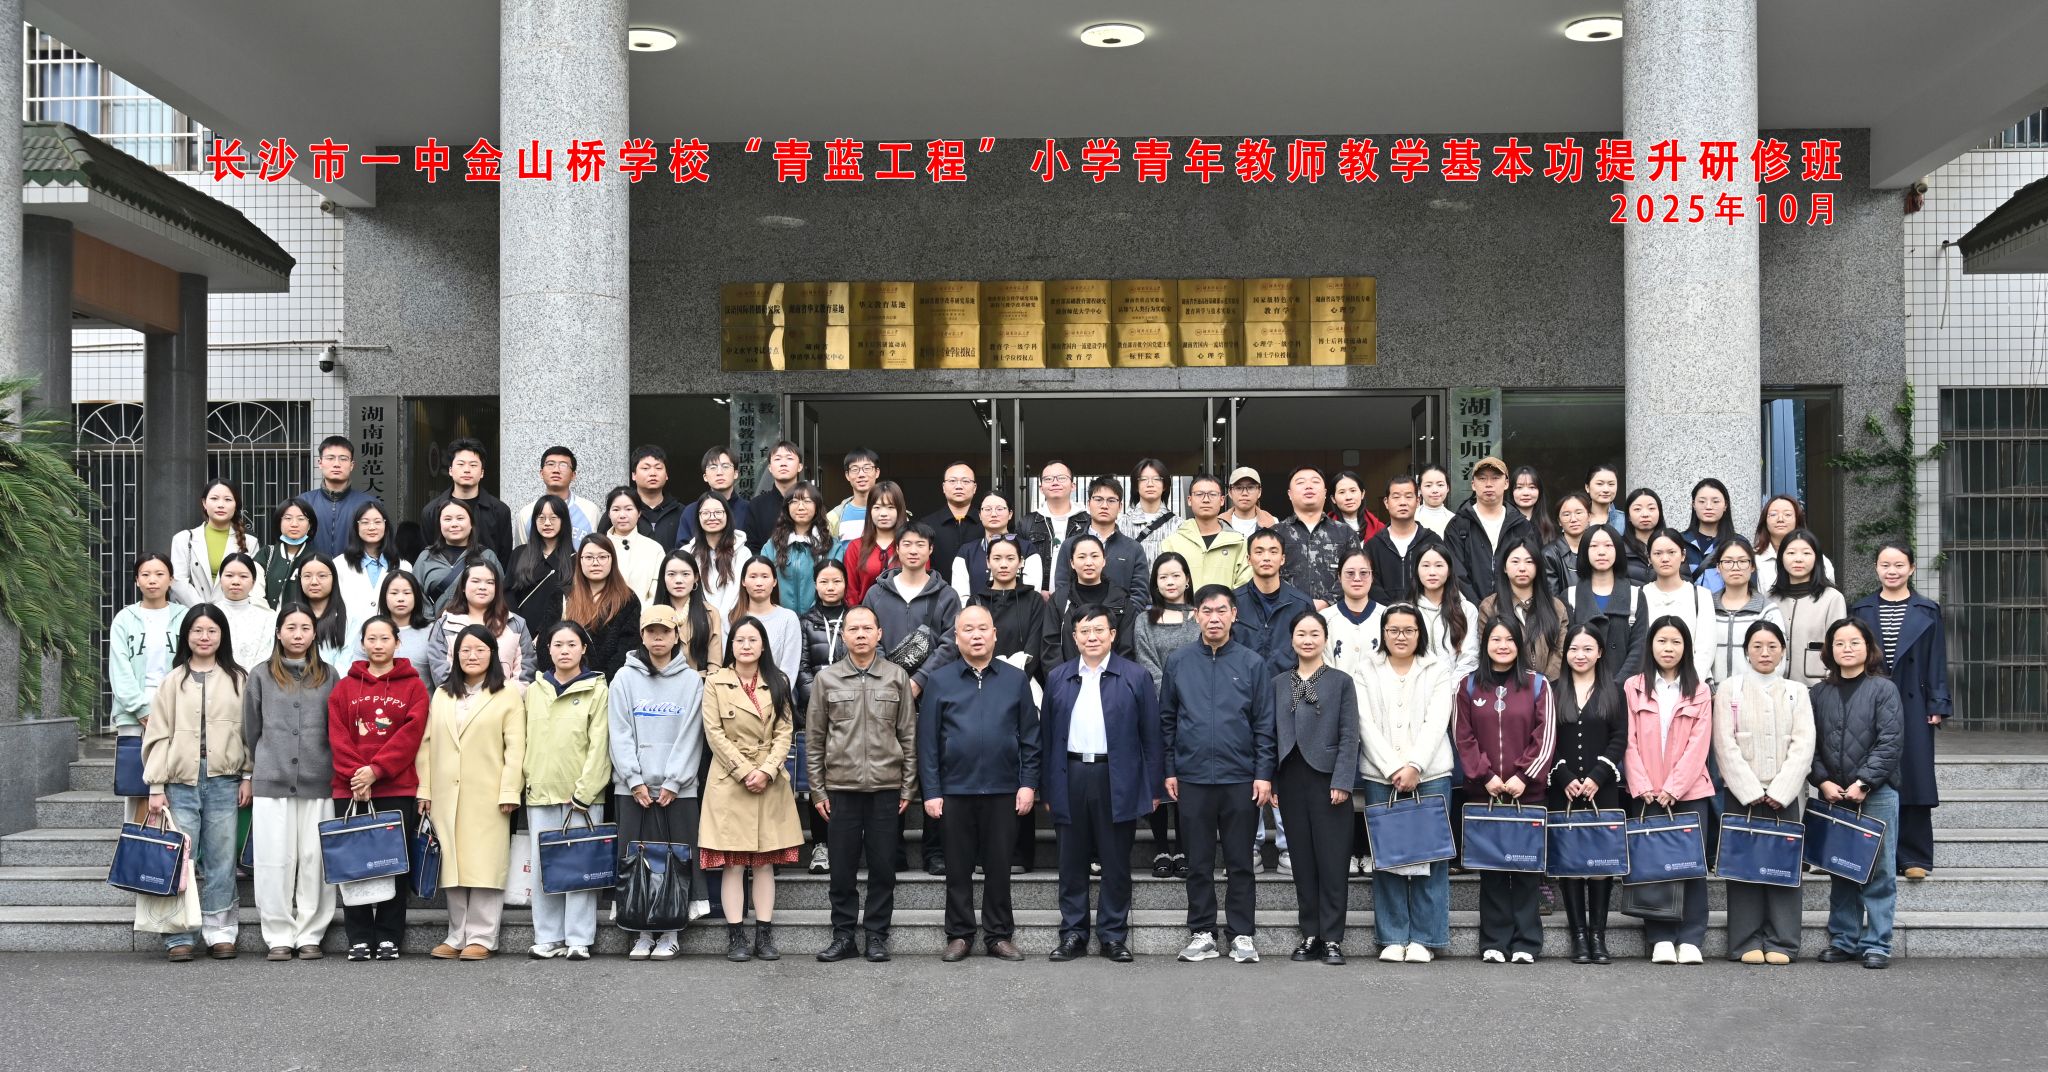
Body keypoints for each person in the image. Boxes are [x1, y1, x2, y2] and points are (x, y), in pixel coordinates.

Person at [1161, 585, 1275, 966]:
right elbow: (1167, 721)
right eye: (1207, 611)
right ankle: (1203, 932)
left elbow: (1264, 724)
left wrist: (1263, 773)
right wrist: (1170, 769)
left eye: (1221, 611)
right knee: (1198, 861)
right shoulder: (1178, 662)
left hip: (1240, 777)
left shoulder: (1251, 663)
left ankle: (1242, 934)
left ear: (1234, 615)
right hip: (1192, 777)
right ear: (1196, 615)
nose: (1214, 618)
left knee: (1241, 861)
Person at [920, 606, 1041, 962]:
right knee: (957, 868)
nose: (976, 635)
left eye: (983, 628)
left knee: (999, 867)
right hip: (954, 790)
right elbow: (927, 743)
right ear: (956, 636)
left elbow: (1031, 738)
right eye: (968, 629)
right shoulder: (940, 681)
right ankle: (959, 934)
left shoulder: (1015, 680)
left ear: (994, 634)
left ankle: (999, 935)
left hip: (1003, 789)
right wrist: (932, 791)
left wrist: (1028, 784)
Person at [1041, 605, 1158, 964]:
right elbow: (1047, 737)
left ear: (1112, 635)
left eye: (1099, 630)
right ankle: (1073, 934)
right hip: (1071, 774)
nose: (1092, 637)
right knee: (1071, 860)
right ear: (1074, 637)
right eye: (1084, 631)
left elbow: (1151, 737)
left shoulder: (1135, 676)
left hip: (1116, 775)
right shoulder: (1058, 677)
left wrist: (1152, 788)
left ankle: (1113, 935)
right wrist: (1048, 786)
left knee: (1116, 860)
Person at [806, 606, 918, 963]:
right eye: (853, 629)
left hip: (886, 788)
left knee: (883, 868)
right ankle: (843, 936)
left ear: (879, 634)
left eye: (867, 628)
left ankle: (876, 936)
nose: (860, 634)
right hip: (841, 789)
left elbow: (908, 735)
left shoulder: (896, 677)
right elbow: (815, 740)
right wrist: (818, 790)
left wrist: (907, 787)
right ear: (844, 635)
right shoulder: (827, 679)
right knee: (841, 870)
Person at [138, 605, 248, 961]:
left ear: (222, 636)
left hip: (224, 779)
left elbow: (249, 732)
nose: (204, 637)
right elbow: (157, 735)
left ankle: (221, 931)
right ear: (186, 635)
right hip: (180, 780)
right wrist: (156, 786)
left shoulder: (238, 679)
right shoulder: (173, 681)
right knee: (180, 858)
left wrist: (248, 776)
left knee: (221, 858)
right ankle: (178, 934)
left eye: (212, 630)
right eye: (197, 630)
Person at [418, 624, 527, 960]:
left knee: (484, 864)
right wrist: (425, 788)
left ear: (492, 654)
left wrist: (510, 790)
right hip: (445, 792)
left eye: (480, 649)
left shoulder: (507, 694)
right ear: (455, 656)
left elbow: (516, 747)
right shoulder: (442, 694)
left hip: (489, 792)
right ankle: (456, 934)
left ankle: (482, 935)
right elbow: (427, 744)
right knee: (451, 864)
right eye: (465, 650)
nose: (472, 656)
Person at [608, 604, 709, 959]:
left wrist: (674, 781)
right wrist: (633, 779)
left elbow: (692, 734)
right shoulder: (624, 678)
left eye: (665, 631)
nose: (658, 638)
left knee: (675, 862)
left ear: (676, 635)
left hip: (677, 791)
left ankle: (670, 932)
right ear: (642, 635)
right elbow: (619, 731)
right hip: (632, 789)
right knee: (635, 862)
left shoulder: (691, 682)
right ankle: (641, 932)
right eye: (651, 631)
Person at [700, 617, 805, 963]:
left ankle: (764, 934)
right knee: (732, 864)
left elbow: (785, 732)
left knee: (764, 863)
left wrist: (767, 770)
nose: (746, 646)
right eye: (739, 640)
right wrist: (746, 771)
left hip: (769, 781)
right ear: (731, 646)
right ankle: (736, 936)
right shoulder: (716, 682)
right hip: (730, 780)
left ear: (763, 646)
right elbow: (714, 733)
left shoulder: (778, 681)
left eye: (753, 640)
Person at [1355, 604, 1455, 963]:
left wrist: (1415, 765)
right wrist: (1393, 766)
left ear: (1420, 634)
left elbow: (1438, 720)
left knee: (1431, 856)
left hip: (1431, 774)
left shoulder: (1437, 668)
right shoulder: (1366, 668)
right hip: (1380, 774)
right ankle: (1393, 935)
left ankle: (1426, 938)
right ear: (1383, 633)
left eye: (1408, 630)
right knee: (1388, 856)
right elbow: (1364, 722)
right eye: (1393, 630)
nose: (1401, 637)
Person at [1454, 614, 1556, 964]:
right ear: (1485, 644)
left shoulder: (1538, 684)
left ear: (1519, 644)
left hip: (1527, 794)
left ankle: (1527, 941)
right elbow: (1463, 736)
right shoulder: (1469, 685)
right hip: (1486, 794)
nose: (1502, 646)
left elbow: (1545, 736)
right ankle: (1494, 941)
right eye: (1495, 639)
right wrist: (1485, 776)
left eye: (1509, 639)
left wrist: (1524, 776)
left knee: (1526, 871)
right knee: (1493, 871)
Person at [327, 616, 430, 960]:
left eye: (385, 638)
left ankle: (388, 936)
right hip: (350, 787)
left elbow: (411, 735)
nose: (378, 644)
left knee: (394, 864)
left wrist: (376, 771)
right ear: (363, 644)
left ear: (397, 643)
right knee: (352, 864)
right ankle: (358, 936)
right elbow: (337, 734)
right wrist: (358, 775)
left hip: (396, 787)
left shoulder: (414, 687)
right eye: (371, 638)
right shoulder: (344, 687)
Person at [1713, 620, 1815, 964]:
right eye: (1757, 646)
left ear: (1783, 650)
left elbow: (1804, 744)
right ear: (1746, 651)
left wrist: (1782, 790)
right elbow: (1724, 743)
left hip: (1784, 795)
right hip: (1742, 794)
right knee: (1743, 868)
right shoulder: (1730, 689)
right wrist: (1750, 790)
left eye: (1772, 646)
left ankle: (1783, 941)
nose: (1765, 653)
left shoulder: (1796, 691)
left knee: (1783, 867)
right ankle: (1745, 941)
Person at [240, 605, 338, 961]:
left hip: (319, 779)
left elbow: (336, 725)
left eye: (305, 628)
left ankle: (311, 932)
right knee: (273, 859)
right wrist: (256, 768)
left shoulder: (328, 675)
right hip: (272, 778)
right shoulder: (261, 675)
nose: (298, 634)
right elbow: (251, 728)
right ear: (278, 632)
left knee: (314, 859)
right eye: (291, 627)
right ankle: (278, 933)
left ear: (314, 634)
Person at [1265, 609, 1361, 964]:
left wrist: (1343, 780)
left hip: (1328, 779)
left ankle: (1332, 938)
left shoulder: (1340, 681)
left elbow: (1350, 735)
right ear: (1291, 640)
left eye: (1314, 634)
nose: (1307, 640)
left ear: (1325, 639)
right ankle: (1310, 934)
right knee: (1302, 861)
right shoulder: (1278, 683)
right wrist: (1273, 780)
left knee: (1332, 861)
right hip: (1291, 777)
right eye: (1301, 634)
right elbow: (1270, 735)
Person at [1809, 617, 1906, 969]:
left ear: (1868, 647)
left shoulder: (1883, 689)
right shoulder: (1818, 693)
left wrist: (1864, 782)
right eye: (1839, 643)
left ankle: (1877, 943)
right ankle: (1844, 940)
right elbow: (1808, 743)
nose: (1847, 649)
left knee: (1879, 871)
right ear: (1830, 650)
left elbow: (1890, 741)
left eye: (1854, 642)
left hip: (1876, 794)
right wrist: (1821, 780)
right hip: (1834, 795)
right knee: (1840, 870)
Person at [1850, 541, 1949, 881]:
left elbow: (1937, 658)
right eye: (1885, 565)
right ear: (1876, 568)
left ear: (1911, 568)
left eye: (1898, 565)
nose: (1891, 571)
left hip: (1915, 701)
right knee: (1871, 770)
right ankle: (1872, 853)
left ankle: (1914, 856)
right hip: (1870, 700)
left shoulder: (1927, 610)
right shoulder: (1861, 609)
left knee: (1916, 776)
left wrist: (1937, 703)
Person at [1622, 616, 1714, 965]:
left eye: (1676, 642)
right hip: (1646, 792)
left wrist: (1674, 787)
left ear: (1686, 647)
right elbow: (1628, 741)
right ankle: (1659, 935)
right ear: (1650, 645)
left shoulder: (1699, 690)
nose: (1669, 648)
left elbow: (1699, 745)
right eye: (1662, 641)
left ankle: (1691, 936)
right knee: (1652, 866)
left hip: (1689, 792)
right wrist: (1642, 784)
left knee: (1691, 865)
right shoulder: (1633, 687)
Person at [521, 621, 613, 961]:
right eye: (557, 644)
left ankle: (578, 938)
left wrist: (585, 792)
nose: (564, 650)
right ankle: (548, 936)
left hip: (581, 798)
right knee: (543, 867)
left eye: (571, 644)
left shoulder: (598, 689)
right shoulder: (535, 689)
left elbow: (600, 744)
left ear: (583, 649)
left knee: (581, 867)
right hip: (541, 791)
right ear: (548, 649)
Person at [1548, 623, 1628, 964]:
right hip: (1563, 789)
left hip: (1602, 789)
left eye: (1587, 649)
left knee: (1600, 864)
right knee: (1570, 863)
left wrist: (1598, 775)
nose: (1580, 655)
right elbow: (1545, 739)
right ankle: (1578, 936)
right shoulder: (1553, 690)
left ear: (1600, 653)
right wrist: (1563, 775)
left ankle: (1598, 936)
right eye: (1574, 649)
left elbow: (1619, 738)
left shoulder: (1614, 691)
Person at [1132, 552, 1197, 877]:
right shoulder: (1144, 619)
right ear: (1155, 583)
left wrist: (1187, 700)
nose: (1170, 582)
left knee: (1186, 780)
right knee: (1157, 777)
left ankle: (1183, 849)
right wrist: (1169, 698)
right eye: (1163, 577)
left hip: (1194, 710)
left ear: (1187, 579)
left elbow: (1201, 661)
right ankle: (1161, 847)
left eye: (1175, 575)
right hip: (1155, 710)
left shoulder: (1200, 616)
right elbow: (1147, 664)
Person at [860, 522, 962, 703]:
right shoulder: (875, 594)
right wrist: (890, 676)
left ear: (931, 549)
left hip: (934, 690)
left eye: (920, 544)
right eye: (907, 544)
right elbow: (867, 637)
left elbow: (951, 643)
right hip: (882, 689)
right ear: (897, 549)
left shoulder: (947, 596)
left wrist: (919, 680)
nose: (913, 551)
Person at [111, 554, 185, 748]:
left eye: (160, 574)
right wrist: (140, 708)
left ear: (171, 579)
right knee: (132, 764)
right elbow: (119, 668)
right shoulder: (124, 619)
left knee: (176, 763)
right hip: (131, 712)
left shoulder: (185, 617)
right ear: (137, 580)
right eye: (145, 575)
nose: (152, 580)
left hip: (178, 707)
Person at [426, 558, 537, 686]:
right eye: (475, 581)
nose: (482, 587)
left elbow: (526, 673)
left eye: (490, 582)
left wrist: (503, 695)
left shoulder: (516, 623)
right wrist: (470, 695)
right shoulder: (445, 624)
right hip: (459, 697)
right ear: (463, 587)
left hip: (506, 697)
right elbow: (441, 672)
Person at [1051, 477, 1151, 609]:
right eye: (1098, 499)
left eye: (1111, 500)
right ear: (1088, 504)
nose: (1104, 506)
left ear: (1120, 506)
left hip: (1121, 619)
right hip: (1078, 619)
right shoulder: (1069, 545)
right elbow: (1062, 588)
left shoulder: (1133, 549)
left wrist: (1123, 619)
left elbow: (1139, 595)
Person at [1477, 535, 1569, 680]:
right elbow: (1488, 651)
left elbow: (1560, 651)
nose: (1522, 568)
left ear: (1538, 567)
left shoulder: (1556, 607)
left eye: (1529, 562)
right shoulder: (1489, 607)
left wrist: (1541, 685)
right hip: (1506, 685)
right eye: (1515, 561)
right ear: (1505, 567)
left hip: (1550, 686)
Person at [1443, 456, 1534, 600]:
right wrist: (1478, 607)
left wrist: (1511, 605)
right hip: (1468, 609)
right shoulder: (1457, 525)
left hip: (1513, 607)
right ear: (1473, 484)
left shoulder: (1521, 525)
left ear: (1506, 483)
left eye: (1495, 478)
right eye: (1482, 478)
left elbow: (1530, 568)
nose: (1489, 484)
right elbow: (1456, 573)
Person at [1634, 529, 1716, 684]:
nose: (1665, 559)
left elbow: (1706, 649)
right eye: (1658, 553)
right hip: (1648, 684)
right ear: (1649, 558)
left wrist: (1689, 685)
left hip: (1692, 684)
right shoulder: (1638, 595)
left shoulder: (1701, 596)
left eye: (1672, 552)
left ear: (1683, 555)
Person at [1273, 466, 1361, 609]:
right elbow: (1267, 574)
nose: (1309, 486)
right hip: (1287, 612)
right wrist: (1297, 603)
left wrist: (1326, 602)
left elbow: (1355, 572)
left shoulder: (1345, 533)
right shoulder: (1275, 534)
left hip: (1336, 613)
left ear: (1325, 493)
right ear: (1290, 494)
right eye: (1301, 482)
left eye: (1315, 481)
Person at [1564, 525, 1645, 679]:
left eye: (1608, 545)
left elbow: (1638, 648)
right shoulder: (1570, 596)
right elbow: (1567, 647)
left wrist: (1617, 685)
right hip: (1580, 685)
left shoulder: (1635, 596)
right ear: (1584, 551)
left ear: (1618, 550)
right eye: (1593, 546)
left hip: (1623, 687)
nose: (1601, 552)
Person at [1046, 533, 1138, 667]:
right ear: (1072, 563)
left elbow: (1127, 648)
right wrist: (1065, 677)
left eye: (1095, 556)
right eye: (1081, 557)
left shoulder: (1121, 600)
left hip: (1114, 677)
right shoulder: (1059, 600)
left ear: (1104, 561)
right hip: (1068, 677)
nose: (1088, 562)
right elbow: (1050, 648)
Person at [417, 437, 513, 564]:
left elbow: (505, 559)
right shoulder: (432, 511)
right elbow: (426, 558)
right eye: (461, 464)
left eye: (473, 465)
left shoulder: (500, 510)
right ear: (450, 470)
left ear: (482, 472)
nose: (467, 470)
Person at [971, 536, 1052, 686]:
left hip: (1023, 681)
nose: (1003, 565)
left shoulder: (1034, 600)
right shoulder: (976, 601)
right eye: (997, 558)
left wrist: (1015, 681)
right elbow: (972, 646)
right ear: (988, 562)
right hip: (983, 682)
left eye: (1010, 558)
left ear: (1020, 562)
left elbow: (1034, 647)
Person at [1704, 537, 1786, 685]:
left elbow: (1778, 659)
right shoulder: (1706, 606)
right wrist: (1709, 689)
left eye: (1742, 561)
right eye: (1728, 562)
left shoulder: (1766, 610)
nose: (1735, 567)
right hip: (1711, 694)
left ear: (1752, 567)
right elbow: (1697, 653)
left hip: (1753, 692)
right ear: (1718, 567)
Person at [1771, 528, 1847, 686]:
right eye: (1791, 553)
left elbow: (1839, 645)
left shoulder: (1832, 598)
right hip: (1775, 687)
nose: (1798, 559)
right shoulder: (1771, 599)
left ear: (1817, 558)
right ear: (1781, 558)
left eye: (1806, 553)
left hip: (1818, 687)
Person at [1233, 528, 1316, 673]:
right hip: (1243, 684)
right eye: (1259, 552)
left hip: (1288, 684)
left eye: (1273, 552)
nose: (1266, 558)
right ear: (1248, 559)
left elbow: (1312, 655)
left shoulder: (1301, 604)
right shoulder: (1232, 602)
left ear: (1282, 559)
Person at [170, 480, 263, 606]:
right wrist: (204, 611)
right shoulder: (183, 539)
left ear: (236, 504)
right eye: (214, 498)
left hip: (234, 612)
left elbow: (253, 583)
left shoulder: (250, 542)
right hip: (193, 611)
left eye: (228, 499)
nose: (221, 505)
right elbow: (179, 582)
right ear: (204, 503)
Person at [563, 534, 644, 679]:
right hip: (568, 681)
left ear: (612, 559)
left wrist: (603, 683)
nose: (595, 563)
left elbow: (627, 649)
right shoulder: (564, 597)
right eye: (589, 557)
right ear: (580, 560)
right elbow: (549, 645)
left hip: (611, 682)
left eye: (602, 557)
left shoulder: (628, 599)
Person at [1158, 473, 1253, 593]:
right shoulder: (1172, 543)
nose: (1206, 500)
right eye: (1199, 494)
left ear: (1222, 500)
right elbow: (1166, 583)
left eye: (1212, 494)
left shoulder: (1240, 542)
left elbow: (1244, 587)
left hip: (1226, 605)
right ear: (1189, 500)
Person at [415, 499, 503, 617]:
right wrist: (431, 624)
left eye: (460, 518)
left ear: (471, 524)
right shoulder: (426, 557)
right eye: (447, 519)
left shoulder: (487, 556)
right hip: (434, 626)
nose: (454, 524)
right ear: (440, 525)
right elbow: (416, 594)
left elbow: (500, 594)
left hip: (479, 625)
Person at [951, 490, 1047, 598]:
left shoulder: (1027, 549)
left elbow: (1032, 596)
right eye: (987, 509)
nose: (993, 514)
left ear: (1010, 514)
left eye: (1000, 509)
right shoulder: (966, 552)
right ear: (980, 515)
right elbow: (961, 598)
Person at [296, 436, 380, 559]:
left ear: (352, 465)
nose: (336, 464)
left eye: (343, 459)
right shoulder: (302, 503)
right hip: (313, 570)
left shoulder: (369, 504)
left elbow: (380, 547)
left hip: (355, 569)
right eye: (330, 458)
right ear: (320, 463)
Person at [335, 501, 410, 629]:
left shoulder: (403, 566)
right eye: (365, 522)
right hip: (349, 637)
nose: (372, 527)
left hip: (391, 636)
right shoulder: (340, 564)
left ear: (386, 525)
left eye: (377, 522)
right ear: (356, 526)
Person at [508, 495, 574, 638]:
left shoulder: (574, 559)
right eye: (541, 518)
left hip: (557, 636)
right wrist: (518, 628)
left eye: (553, 518)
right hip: (519, 633)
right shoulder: (520, 553)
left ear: (563, 521)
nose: (547, 523)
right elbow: (507, 594)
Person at [1411, 543, 1479, 679]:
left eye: (1439, 565)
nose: (1432, 572)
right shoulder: (1407, 611)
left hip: (1455, 687)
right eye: (1425, 566)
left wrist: (1450, 687)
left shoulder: (1466, 610)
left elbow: (1470, 658)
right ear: (1417, 571)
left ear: (1449, 571)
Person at [514, 445, 601, 547]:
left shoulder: (590, 511)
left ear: (573, 475)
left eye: (563, 465)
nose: (556, 470)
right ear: (541, 473)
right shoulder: (527, 513)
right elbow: (522, 552)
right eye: (550, 464)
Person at [652, 550, 725, 673]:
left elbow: (715, 664)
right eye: (671, 574)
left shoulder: (710, 613)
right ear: (663, 578)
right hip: (662, 680)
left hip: (700, 682)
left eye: (685, 574)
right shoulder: (652, 614)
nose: (678, 580)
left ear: (696, 577)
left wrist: (707, 684)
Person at [682, 493, 749, 622]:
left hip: (733, 624)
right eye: (705, 513)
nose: (712, 517)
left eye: (718, 512)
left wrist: (720, 621)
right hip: (697, 624)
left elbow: (737, 594)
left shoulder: (743, 553)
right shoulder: (687, 553)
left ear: (727, 515)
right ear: (698, 517)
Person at [770, 481, 831, 616]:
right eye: (794, 501)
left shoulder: (831, 546)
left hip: (819, 620)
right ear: (787, 507)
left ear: (817, 506)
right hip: (781, 619)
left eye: (807, 501)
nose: (801, 507)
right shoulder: (772, 546)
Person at [676, 445, 756, 547]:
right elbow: (683, 550)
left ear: (736, 473)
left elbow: (755, 548)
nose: (719, 472)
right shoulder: (691, 511)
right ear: (705, 477)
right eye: (713, 467)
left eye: (725, 466)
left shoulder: (749, 510)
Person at [841, 480, 906, 607]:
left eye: (890, 507)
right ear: (869, 511)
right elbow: (851, 591)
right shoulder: (856, 547)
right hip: (864, 615)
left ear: (899, 510)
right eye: (877, 507)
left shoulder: (911, 546)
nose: (883, 514)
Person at [1363, 474, 1426, 604]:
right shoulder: (1373, 545)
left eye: (1408, 496)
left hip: (1424, 612)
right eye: (1396, 497)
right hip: (1383, 613)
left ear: (1418, 501)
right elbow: (1369, 582)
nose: (1403, 502)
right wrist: (1392, 610)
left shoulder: (1431, 541)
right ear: (1386, 502)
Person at [1753, 494, 1836, 592]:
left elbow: (1828, 596)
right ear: (1765, 520)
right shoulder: (1752, 558)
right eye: (1773, 514)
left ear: (1797, 519)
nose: (1780, 519)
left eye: (1787, 514)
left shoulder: (1817, 559)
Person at [210, 554, 275, 669]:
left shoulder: (268, 619)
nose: (236, 581)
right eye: (229, 575)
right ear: (220, 580)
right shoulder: (208, 615)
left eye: (243, 576)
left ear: (253, 582)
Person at [1020, 460, 1087, 567]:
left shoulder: (1088, 522)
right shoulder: (1026, 523)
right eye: (1048, 479)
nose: (1055, 482)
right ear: (1041, 488)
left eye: (1062, 478)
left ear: (1073, 486)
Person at [919, 461, 981, 579]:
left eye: (965, 481)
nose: (959, 486)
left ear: (974, 488)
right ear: (943, 487)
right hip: (937, 589)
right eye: (952, 481)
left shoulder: (986, 523)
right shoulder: (927, 524)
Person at [602, 486, 663, 603]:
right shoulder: (598, 547)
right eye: (616, 510)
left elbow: (656, 593)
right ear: (608, 514)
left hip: (645, 613)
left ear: (639, 513)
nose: (622, 515)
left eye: (629, 509)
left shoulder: (654, 549)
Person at [254, 499, 317, 608]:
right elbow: (256, 595)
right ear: (279, 523)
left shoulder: (317, 558)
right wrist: (270, 616)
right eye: (288, 518)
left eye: (301, 519)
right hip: (267, 617)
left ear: (310, 525)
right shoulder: (266, 554)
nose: (294, 524)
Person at [293, 554, 351, 671]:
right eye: (307, 576)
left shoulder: (350, 617)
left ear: (334, 579)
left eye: (322, 576)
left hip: (337, 681)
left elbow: (347, 662)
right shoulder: (288, 617)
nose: (314, 582)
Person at [825, 447, 883, 556]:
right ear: (847, 475)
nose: (861, 474)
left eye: (867, 468)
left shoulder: (893, 513)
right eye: (855, 469)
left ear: (877, 472)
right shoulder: (834, 517)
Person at [372, 570, 433, 671]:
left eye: (407, 593)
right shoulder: (371, 630)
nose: (400, 598)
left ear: (416, 597)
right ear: (384, 596)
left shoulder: (432, 632)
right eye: (394, 593)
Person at [1120, 457, 1179, 561]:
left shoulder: (1178, 525)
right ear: (1136, 486)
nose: (1150, 484)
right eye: (1143, 479)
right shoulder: (1122, 524)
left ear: (1164, 486)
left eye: (1157, 479)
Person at [749, 439, 805, 542]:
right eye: (778, 459)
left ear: (800, 467)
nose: (783, 464)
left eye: (789, 458)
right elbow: (751, 545)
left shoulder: (811, 503)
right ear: (770, 468)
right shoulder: (756, 505)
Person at [1680, 478, 1733, 587]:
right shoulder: (1679, 542)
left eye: (1715, 501)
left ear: (1725, 505)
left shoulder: (1737, 543)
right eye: (1702, 501)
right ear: (1693, 504)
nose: (1708, 507)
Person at [629, 445, 685, 549]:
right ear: (634, 475)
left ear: (666, 475)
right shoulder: (621, 511)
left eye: (658, 468)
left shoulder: (682, 512)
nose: (653, 473)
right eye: (645, 468)